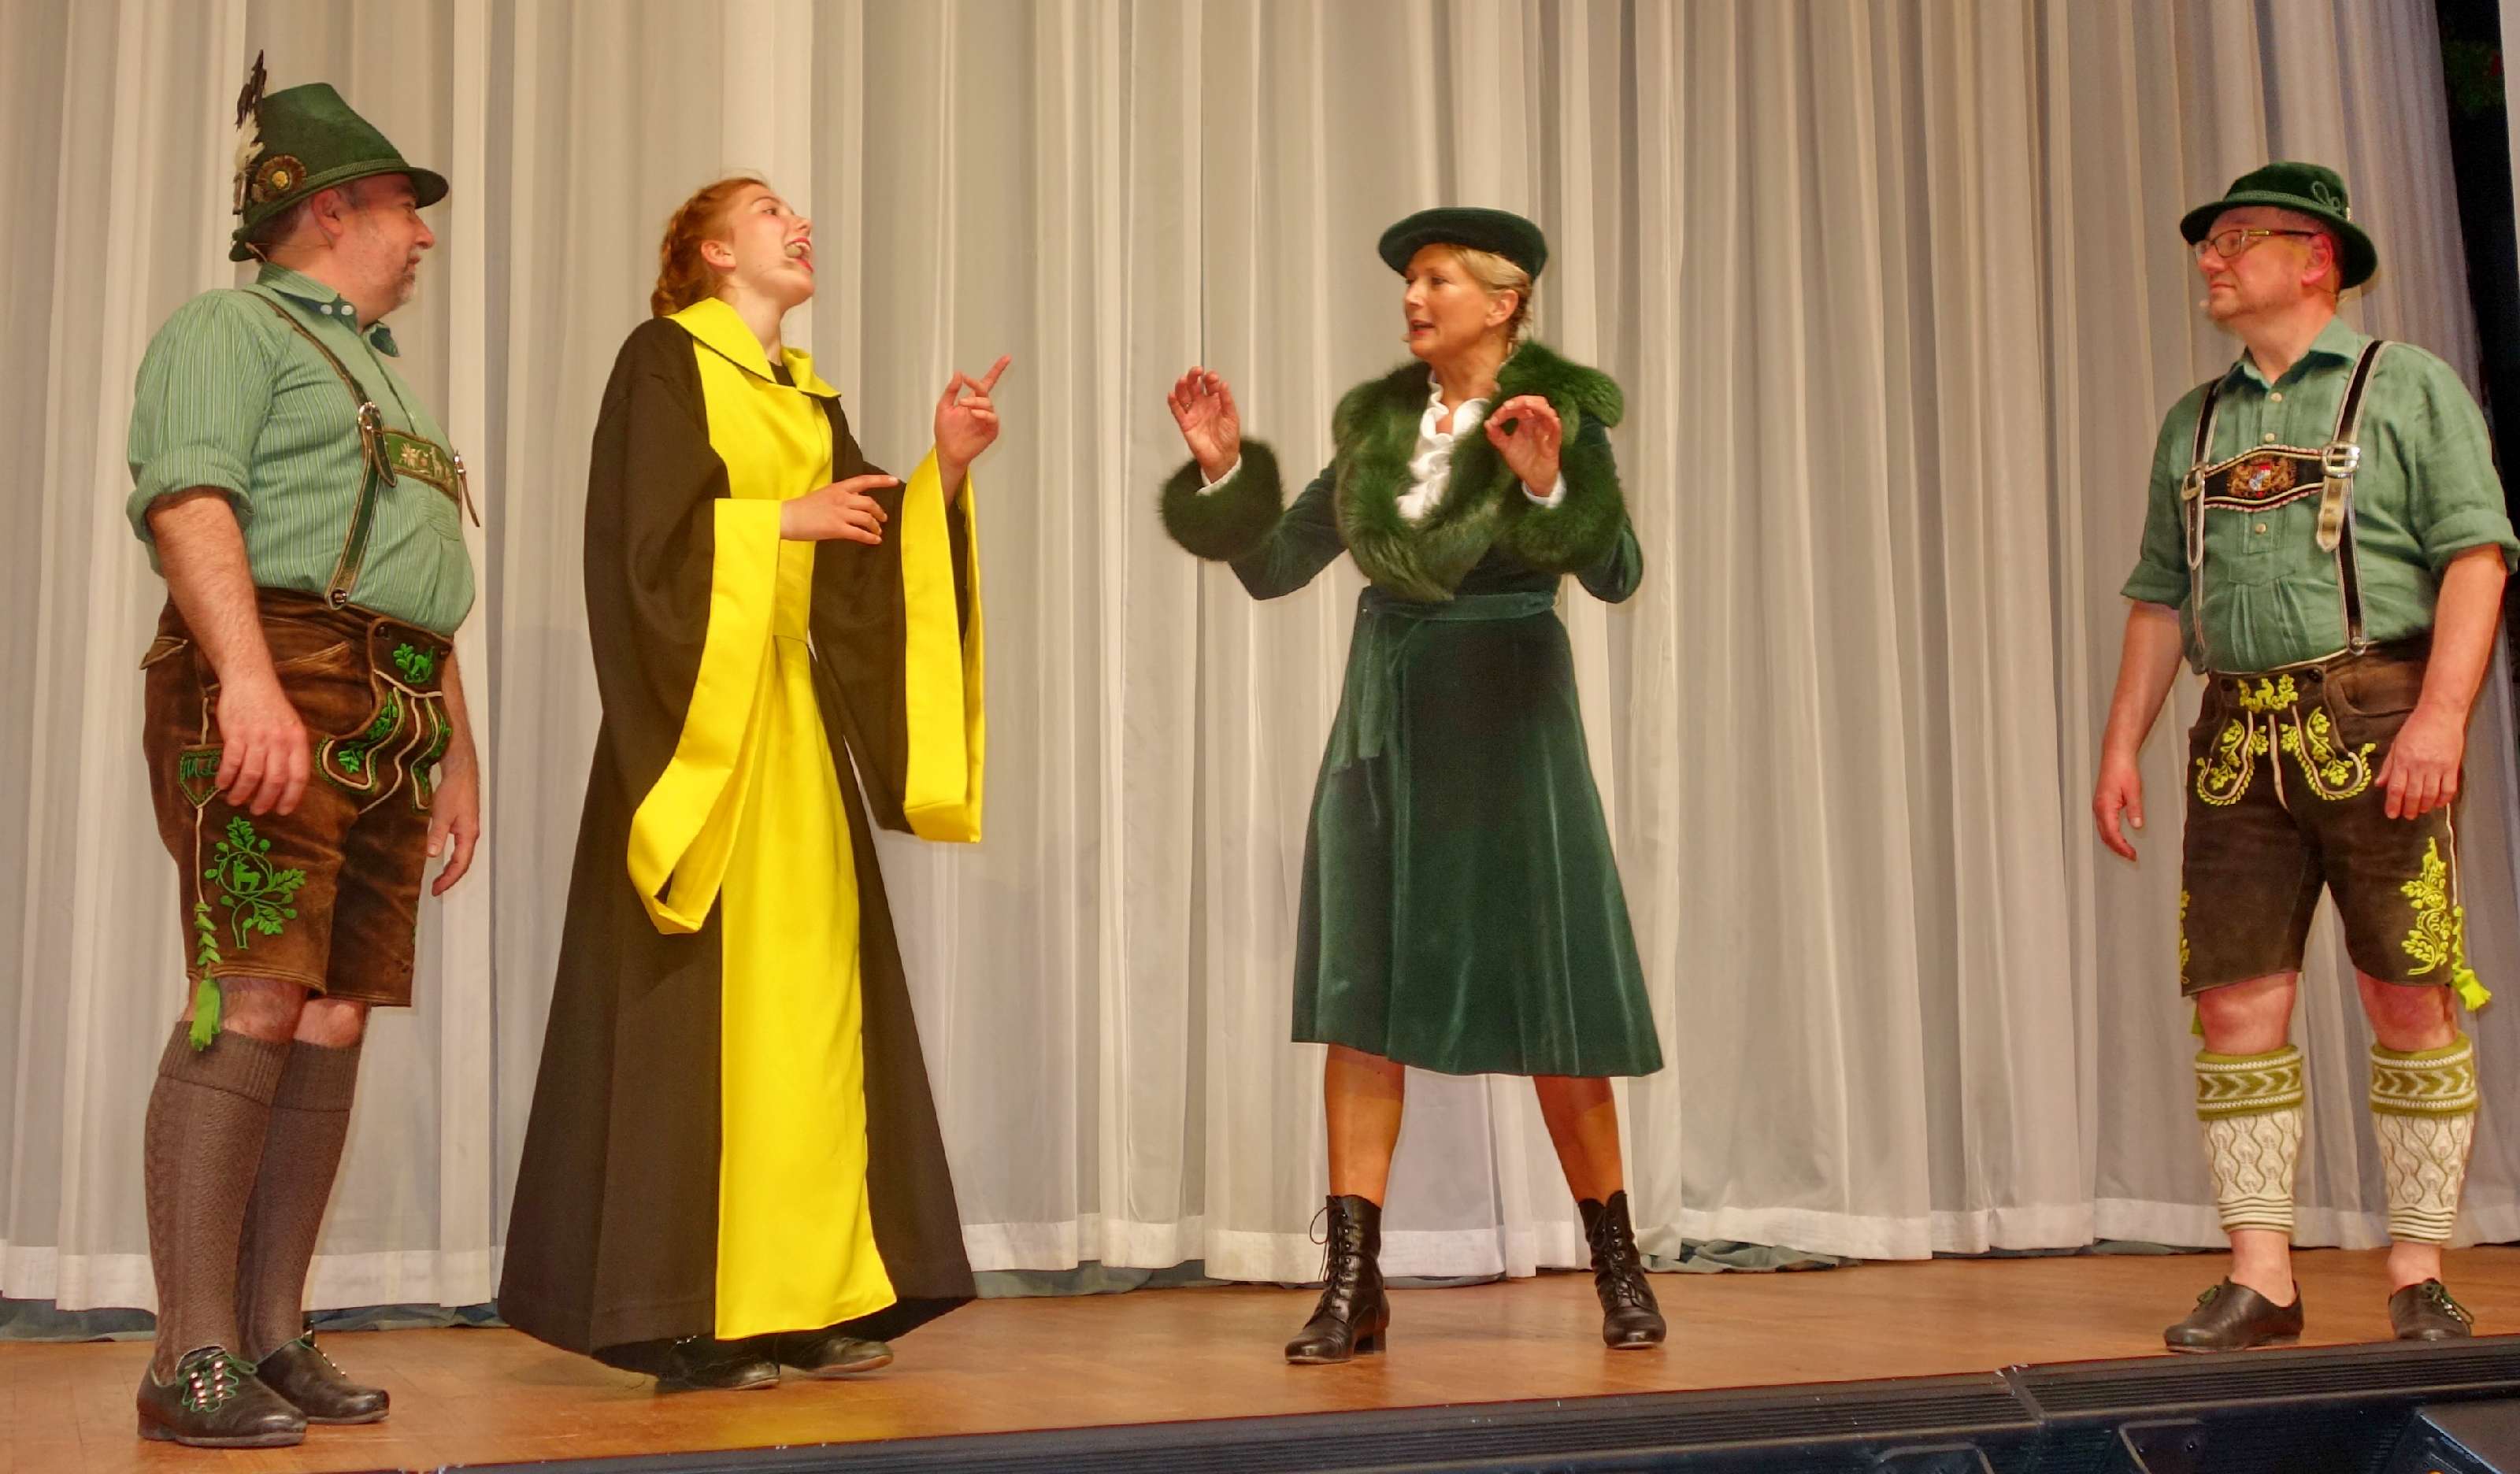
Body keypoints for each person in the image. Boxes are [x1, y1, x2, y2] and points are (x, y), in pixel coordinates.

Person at [498, 176, 1006, 1391]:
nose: (799, 224)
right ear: (713, 251)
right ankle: (689, 1313)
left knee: (813, 1021)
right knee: (697, 1023)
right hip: (705, 737)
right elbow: (641, 548)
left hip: (793, 735)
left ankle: (807, 1297)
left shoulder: (807, 396)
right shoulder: (665, 362)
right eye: (769, 211)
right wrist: (777, 522)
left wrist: (942, 469)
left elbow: (865, 559)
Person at [1158, 207, 1664, 1362]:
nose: (1413, 298)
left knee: (1557, 1001)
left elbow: (1619, 571)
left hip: (1513, 729)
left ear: (1504, 301)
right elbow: (1275, 567)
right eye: (1410, 281)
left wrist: (1550, 488)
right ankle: (1353, 1285)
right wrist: (1225, 470)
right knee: (1364, 1003)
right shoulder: (1382, 431)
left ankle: (1619, 1268)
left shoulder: (1557, 414)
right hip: (1385, 735)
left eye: (1438, 280)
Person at [2094, 162, 2516, 1351]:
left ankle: (2418, 1271)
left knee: (2408, 988)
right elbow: (2160, 597)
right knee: (2235, 999)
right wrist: (2121, 744)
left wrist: (2441, 717)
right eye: (2211, 243)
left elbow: (2476, 557)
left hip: (2379, 715)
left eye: (2237, 240)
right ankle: (2261, 1278)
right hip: (2235, 733)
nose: (2211, 260)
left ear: (2315, 256)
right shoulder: (2196, 420)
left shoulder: (2408, 386)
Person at [124, 57, 482, 1447]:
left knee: (334, 1012)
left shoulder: (390, 381)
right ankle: (189, 1352)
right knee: (257, 989)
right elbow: (189, 502)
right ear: (331, 209)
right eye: (405, 205)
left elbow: (416, 573)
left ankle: (272, 1333)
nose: (423, 233)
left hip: (392, 703)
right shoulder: (231, 328)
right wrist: (248, 685)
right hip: (278, 675)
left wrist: (457, 752)